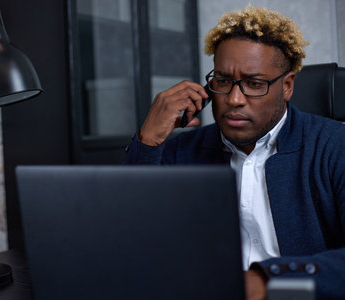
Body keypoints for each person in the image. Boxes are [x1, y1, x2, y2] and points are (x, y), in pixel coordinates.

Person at [125, 5, 345, 300]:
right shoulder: (181, 152)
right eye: (223, 81)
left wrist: (265, 280)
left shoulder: (334, 147)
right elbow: (132, 241)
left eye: (254, 84)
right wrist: (148, 142)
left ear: (288, 86)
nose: (234, 99)